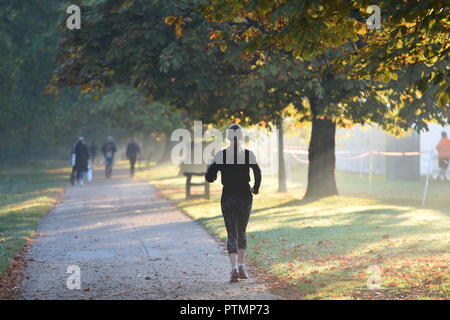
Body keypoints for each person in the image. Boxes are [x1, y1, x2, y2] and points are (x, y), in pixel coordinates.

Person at [205, 124, 261, 283]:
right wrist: (255, 188)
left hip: (228, 197)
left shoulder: (221, 155)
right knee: (241, 231)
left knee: (231, 233)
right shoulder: (248, 154)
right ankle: (242, 266)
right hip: (245, 196)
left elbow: (210, 178)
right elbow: (257, 172)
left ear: (228, 137)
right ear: (242, 137)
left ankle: (233, 269)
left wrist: (212, 167)